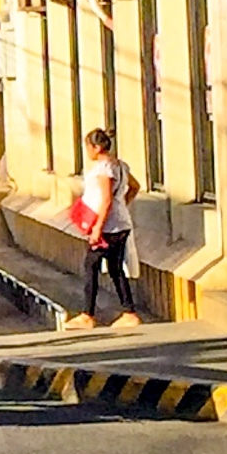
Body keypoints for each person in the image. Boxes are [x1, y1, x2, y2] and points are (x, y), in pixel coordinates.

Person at [66, 128, 142, 330]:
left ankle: (87, 315)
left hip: (108, 226)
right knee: (116, 268)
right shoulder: (120, 166)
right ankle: (129, 311)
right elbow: (135, 186)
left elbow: (106, 199)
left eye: (88, 147)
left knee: (91, 266)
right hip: (120, 222)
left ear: (97, 147)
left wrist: (98, 227)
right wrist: (122, 204)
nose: (87, 151)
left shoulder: (104, 168)